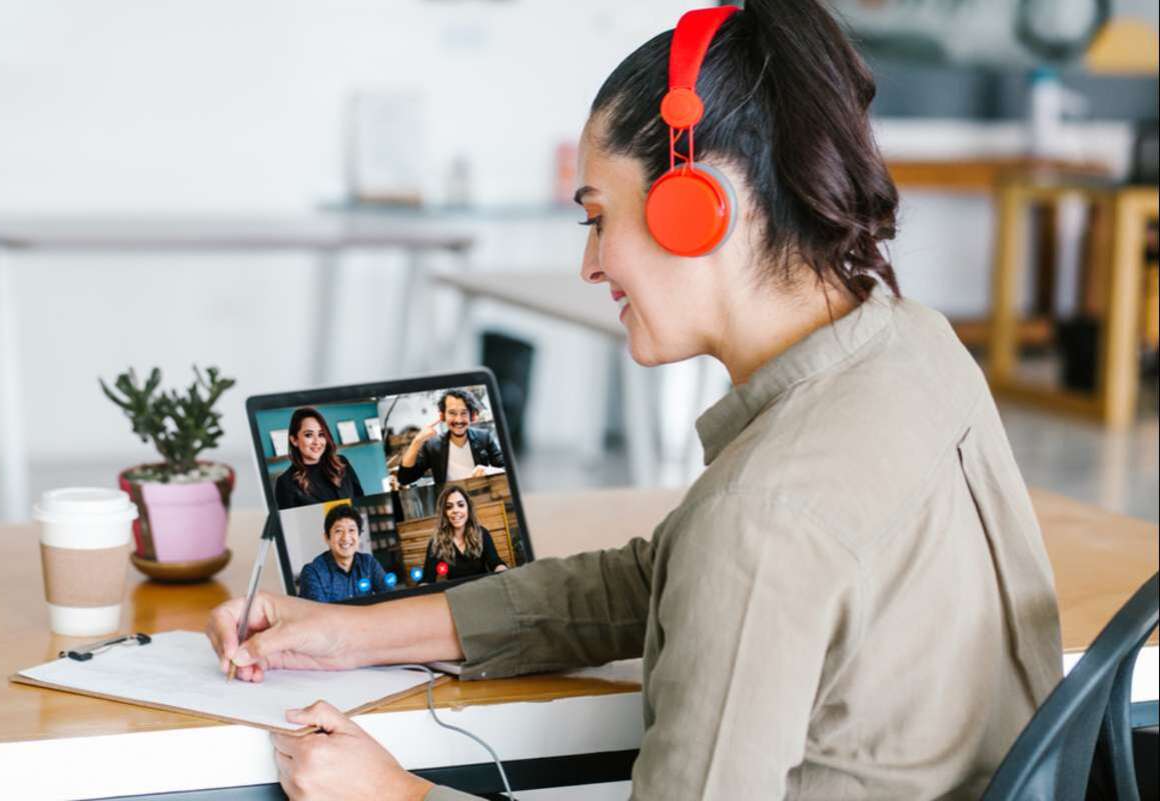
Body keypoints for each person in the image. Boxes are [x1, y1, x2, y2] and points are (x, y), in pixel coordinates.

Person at [206, 3, 1062, 799]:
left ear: (699, 208)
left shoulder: (762, 518)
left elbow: (736, 555)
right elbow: (666, 575)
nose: (590, 265)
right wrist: (350, 632)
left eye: (595, 216)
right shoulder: (916, 344)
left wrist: (397, 792)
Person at [396, 390, 504, 487]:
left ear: (471, 416)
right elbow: (404, 479)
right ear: (443, 416)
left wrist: (491, 471)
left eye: (464, 413)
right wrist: (417, 441)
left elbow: (505, 468)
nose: (458, 420)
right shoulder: (432, 445)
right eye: (452, 413)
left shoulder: (484, 437)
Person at [274, 407, 365, 509]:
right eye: (308, 435)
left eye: (321, 434)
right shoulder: (285, 483)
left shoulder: (342, 462)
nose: (317, 442)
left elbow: (361, 502)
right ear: (294, 440)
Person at [297, 504, 390, 603]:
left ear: (359, 537)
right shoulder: (313, 572)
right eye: (339, 531)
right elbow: (319, 615)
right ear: (327, 538)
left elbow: (390, 597)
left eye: (351, 530)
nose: (346, 538)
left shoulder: (369, 563)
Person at [421, 485, 508, 583]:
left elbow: (495, 563)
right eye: (449, 507)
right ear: (444, 513)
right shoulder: (436, 542)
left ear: (468, 508)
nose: (455, 510)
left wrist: (503, 572)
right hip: (455, 594)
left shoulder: (482, 533)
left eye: (461, 505)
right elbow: (428, 579)